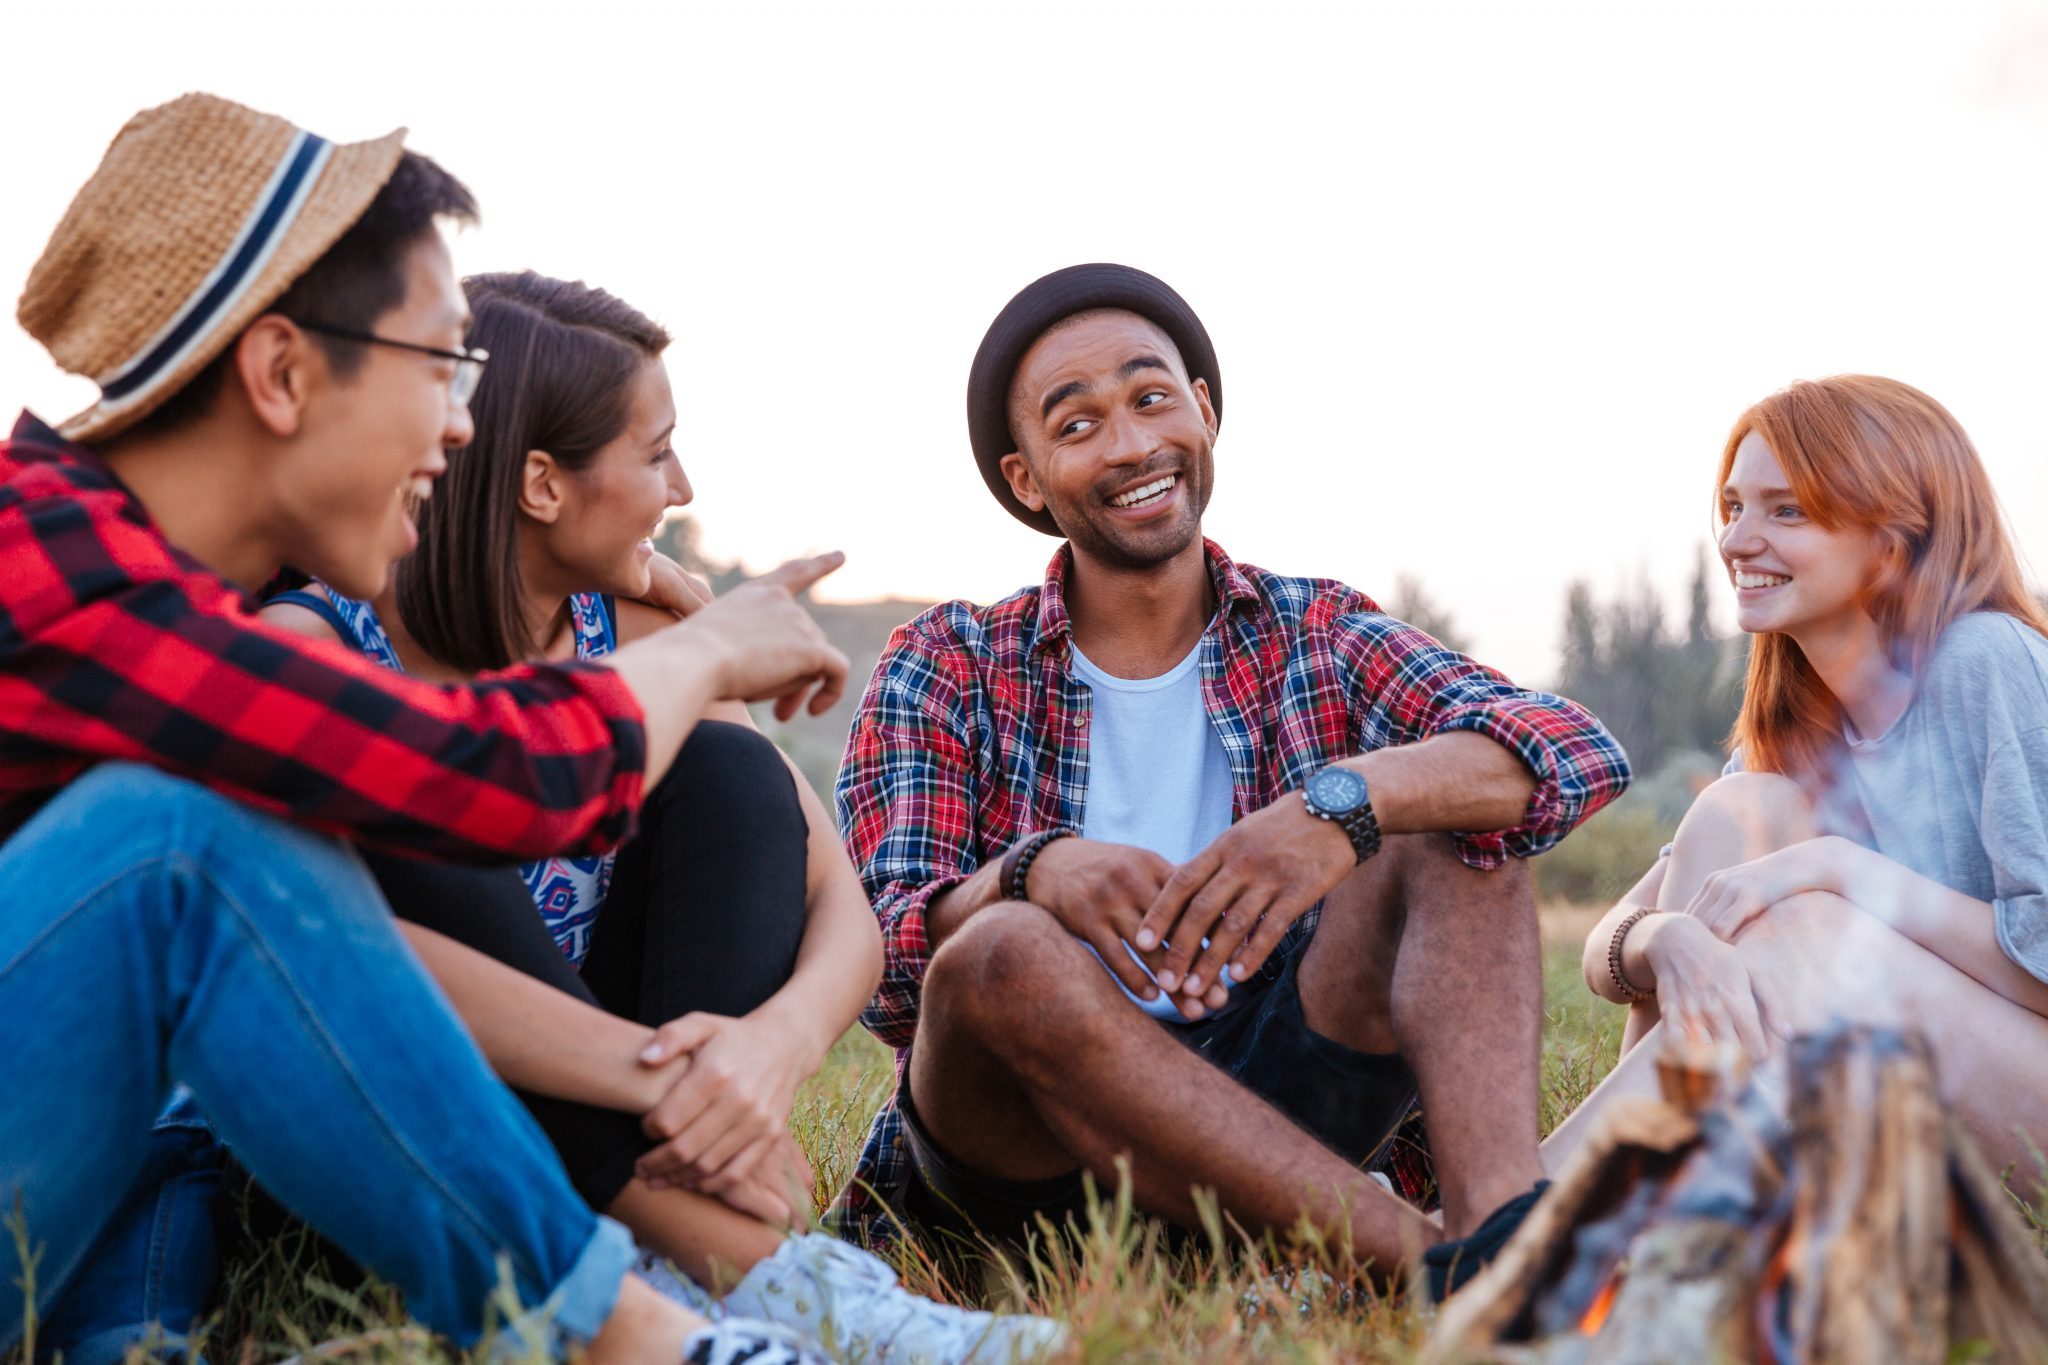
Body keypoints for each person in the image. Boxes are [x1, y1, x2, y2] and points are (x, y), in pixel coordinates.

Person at [1, 92, 854, 1365]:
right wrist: (714, 645)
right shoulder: (58, 580)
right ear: (283, 373)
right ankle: (663, 1332)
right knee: (186, 844)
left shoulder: (126, 586)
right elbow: (489, 778)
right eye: (439, 362)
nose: (458, 422)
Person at [256, 269, 1061, 1362]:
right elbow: (353, 973)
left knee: (734, 782)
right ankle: (766, 1278)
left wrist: (765, 1054)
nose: (679, 486)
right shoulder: (316, 650)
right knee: (442, 797)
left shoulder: (635, 627)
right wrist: (673, 1078)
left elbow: (842, 912)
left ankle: (684, 1273)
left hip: (635, 1135)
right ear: (541, 483)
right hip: (393, 1156)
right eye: (653, 451)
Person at [830, 263, 1632, 1298]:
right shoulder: (946, 663)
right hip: (1027, 1165)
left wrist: (1335, 808)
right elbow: (883, 972)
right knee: (1000, 951)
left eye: (1151, 398)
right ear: (1027, 477)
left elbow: (1567, 753)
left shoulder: (1314, 630)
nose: (1129, 444)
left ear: (1203, 413)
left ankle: (1500, 1225)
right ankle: (1441, 1267)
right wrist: (1027, 877)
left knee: (1449, 808)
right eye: (1075, 426)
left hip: (1276, 1114)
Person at [1555, 375, 2048, 1187]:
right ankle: (1635, 1205)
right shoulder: (1796, 727)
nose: (1738, 540)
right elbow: (1619, 946)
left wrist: (1843, 872)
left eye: (1787, 510)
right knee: (1737, 813)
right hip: (1900, 1102)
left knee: (1808, 921)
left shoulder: (1988, 662)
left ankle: (1525, 1214)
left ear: (1893, 539)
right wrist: (1665, 939)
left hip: (2023, 1098)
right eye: (1733, 505)